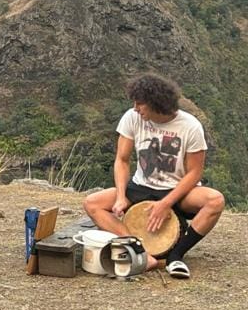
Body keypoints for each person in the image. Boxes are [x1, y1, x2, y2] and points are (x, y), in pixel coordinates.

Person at [83, 73, 225, 279]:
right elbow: (122, 160)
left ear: (156, 103)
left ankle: (176, 256)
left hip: (177, 190)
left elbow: (195, 172)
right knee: (92, 203)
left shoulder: (190, 126)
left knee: (215, 201)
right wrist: (121, 196)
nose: (135, 108)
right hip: (140, 187)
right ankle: (139, 250)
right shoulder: (131, 118)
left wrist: (166, 203)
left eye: (140, 104)